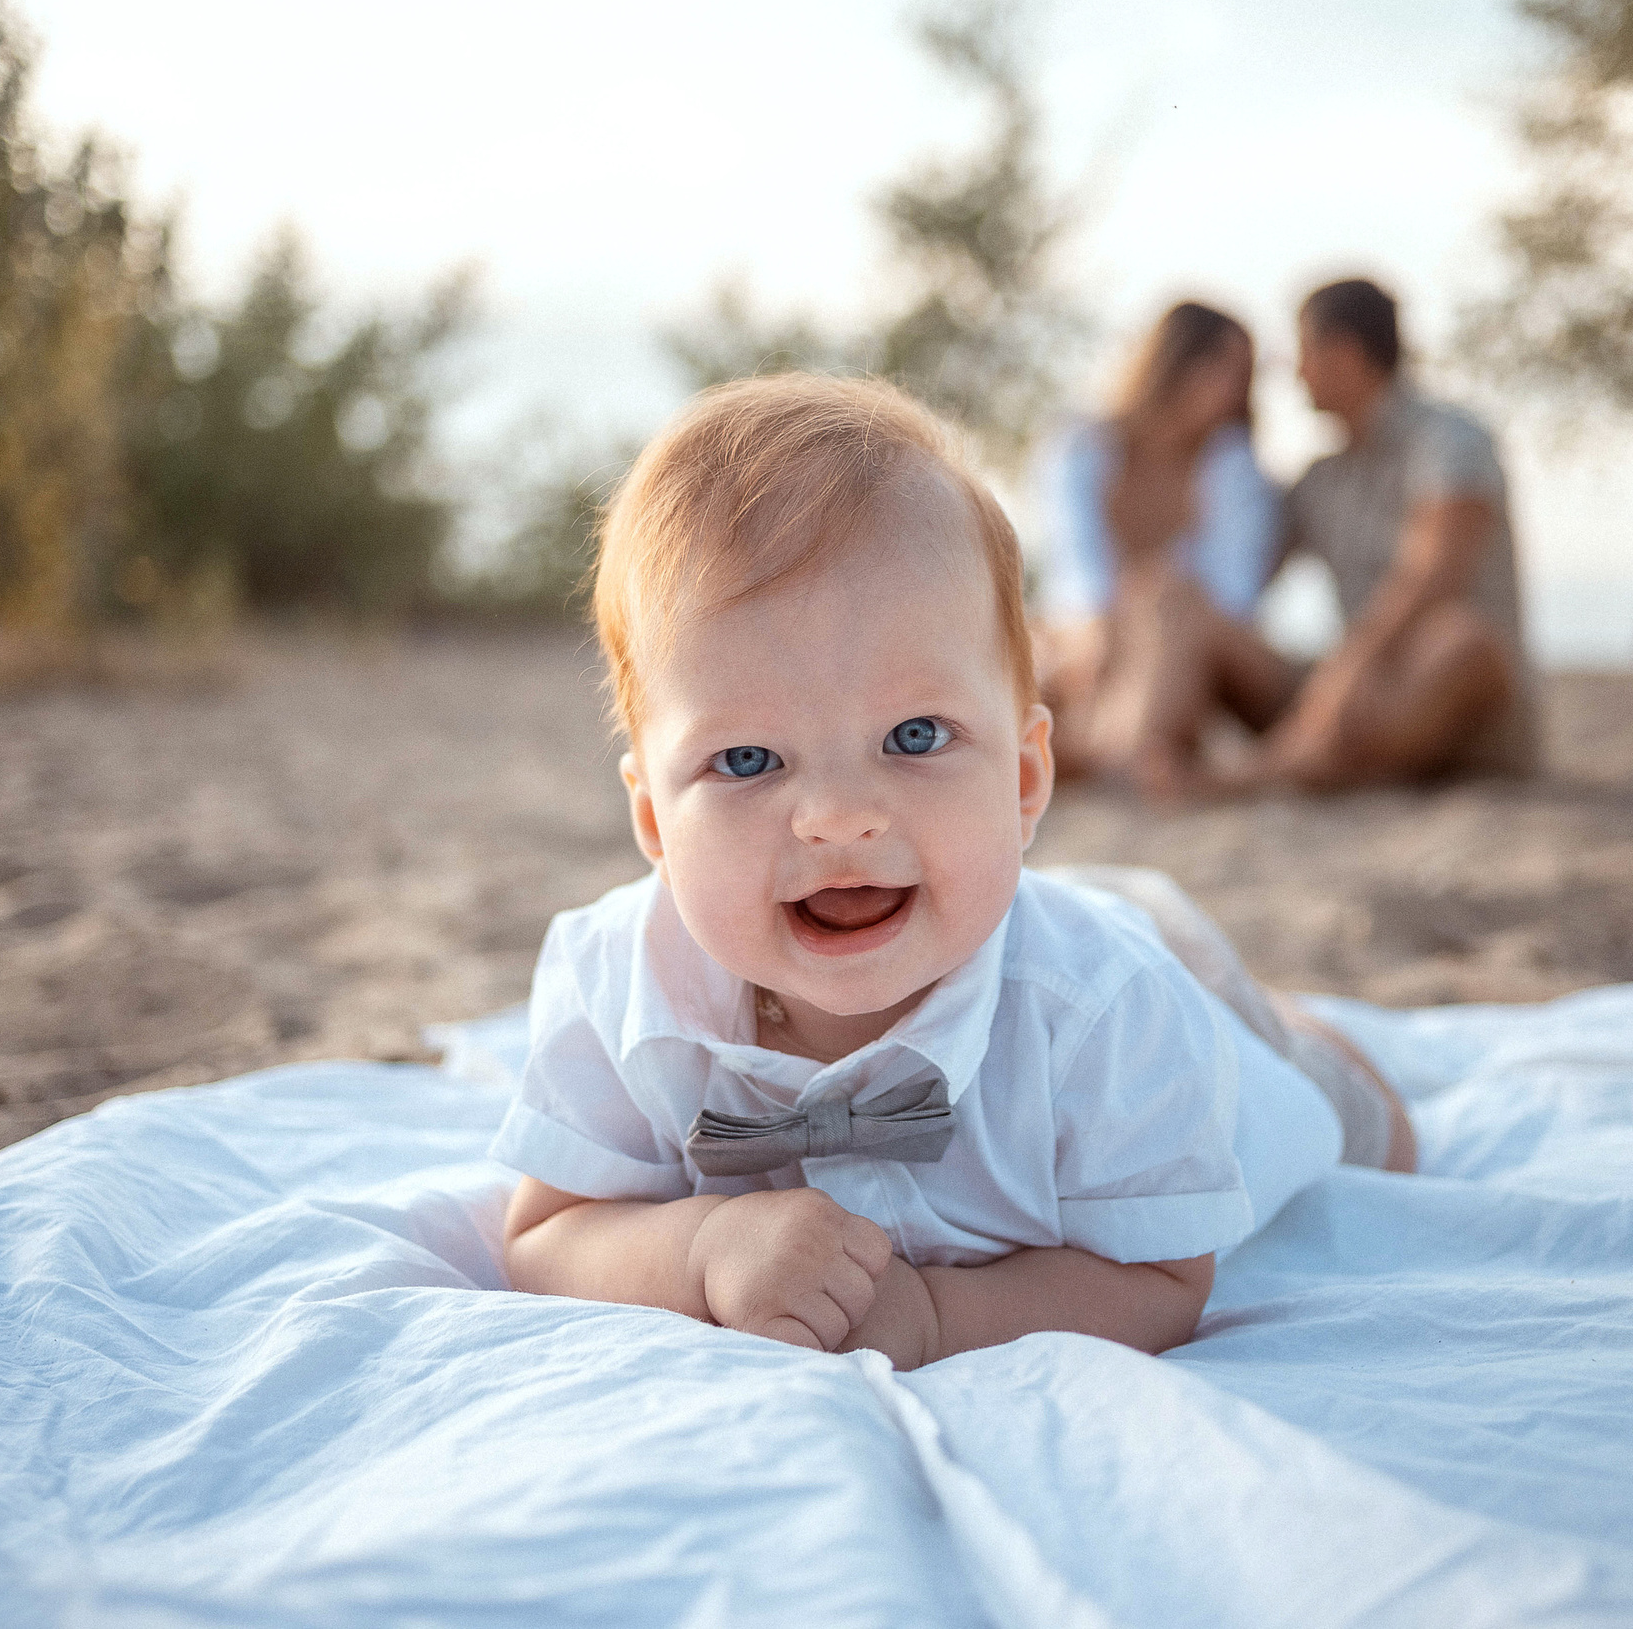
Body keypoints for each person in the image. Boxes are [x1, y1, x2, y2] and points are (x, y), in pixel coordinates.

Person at [493, 375, 1412, 1373]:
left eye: (914, 736)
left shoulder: (1107, 1017)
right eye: (748, 761)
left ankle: (1304, 1034)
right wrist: (700, 1245)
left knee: (1350, 1120)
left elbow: (1161, 1278)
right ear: (652, 822)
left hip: (1174, 1012)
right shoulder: (619, 986)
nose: (839, 818)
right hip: (1087, 937)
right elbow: (548, 1234)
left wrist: (934, 1315)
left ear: (1022, 781)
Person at [1247, 279, 1537, 788]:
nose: (1296, 374)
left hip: (1447, 693)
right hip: (1364, 695)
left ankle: (1264, 774)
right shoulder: (1322, 477)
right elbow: (1242, 578)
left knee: (1457, 639)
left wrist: (1347, 670)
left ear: (1343, 352)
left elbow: (1434, 573)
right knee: (1181, 607)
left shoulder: (1452, 441)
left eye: (1304, 352)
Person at [1032, 302, 1291, 798]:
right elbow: (1074, 570)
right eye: (1223, 369)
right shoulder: (1079, 448)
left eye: (1244, 374)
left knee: (1168, 605)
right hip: (1091, 639)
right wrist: (1105, 626)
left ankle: (1108, 753)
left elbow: (1234, 594)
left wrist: (1142, 602)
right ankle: (1114, 749)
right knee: (1038, 645)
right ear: (1176, 364)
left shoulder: (1234, 465)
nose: (1237, 389)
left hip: (1199, 643)